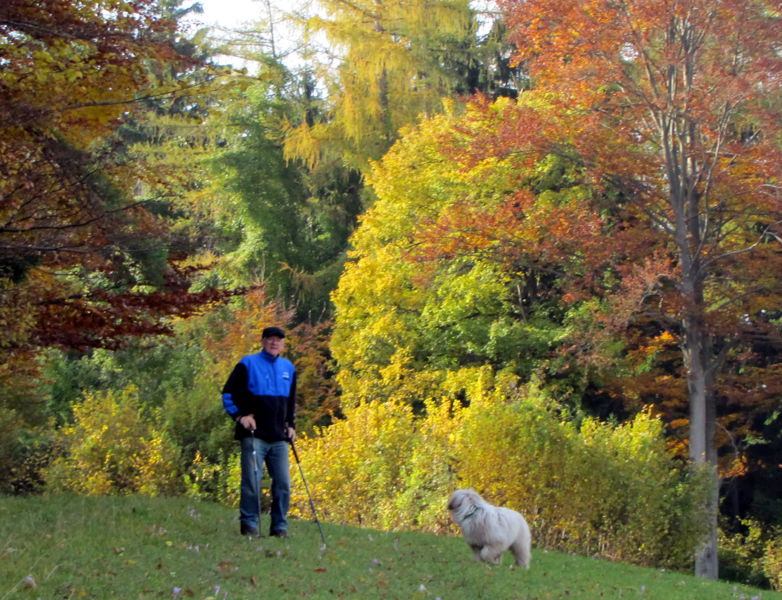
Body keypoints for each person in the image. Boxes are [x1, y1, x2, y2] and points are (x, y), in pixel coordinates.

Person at [222, 325, 297, 538]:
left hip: (279, 437)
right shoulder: (247, 363)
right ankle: (249, 524)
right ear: (263, 341)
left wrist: (291, 426)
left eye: (279, 340)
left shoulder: (288, 368)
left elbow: (291, 402)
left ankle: (279, 527)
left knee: (283, 483)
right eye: (270, 339)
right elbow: (228, 394)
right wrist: (240, 416)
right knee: (252, 482)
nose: (274, 343)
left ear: (283, 344)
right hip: (254, 435)